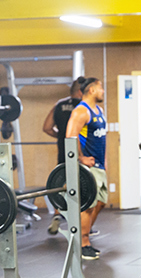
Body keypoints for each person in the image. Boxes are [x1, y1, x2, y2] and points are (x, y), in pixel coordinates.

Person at [65, 77, 107, 260]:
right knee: (88, 206)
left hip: (99, 165)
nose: (103, 91)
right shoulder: (81, 111)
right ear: (91, 90)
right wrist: (80, 159)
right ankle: (83, 244)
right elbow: (70, 137)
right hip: (88, 167)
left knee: (101, 202)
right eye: (100, 88)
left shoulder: (99, 110)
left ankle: (84, 236)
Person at [43, 79, 84, 234]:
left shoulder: (59, 105)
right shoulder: (83, 107)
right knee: (82, 185)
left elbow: (46, 127)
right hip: (81, 152)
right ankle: (83, 224)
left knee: (61, 183)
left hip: (63, 151)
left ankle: (57, 214)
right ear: (81, 91)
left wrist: (61, 136)